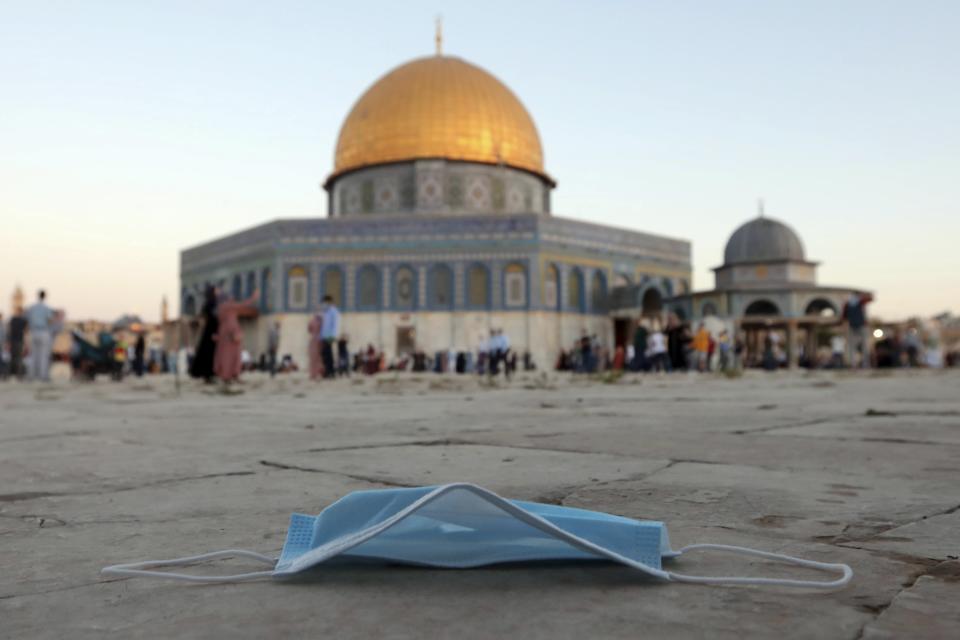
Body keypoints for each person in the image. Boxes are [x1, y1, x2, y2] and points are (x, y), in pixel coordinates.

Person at [213, 289, 259, 383]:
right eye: (230, 297)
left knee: (230, 355)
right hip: (230, 334)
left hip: (228, 333)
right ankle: (229, 375)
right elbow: (242, 305)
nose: (232, 298)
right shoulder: (227, 306)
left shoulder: (223, 308)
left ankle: (231, 375)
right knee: (230, 356)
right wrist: (253, 298)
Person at [189, 286, 219, 382]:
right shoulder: (213, 303)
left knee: (206, 352)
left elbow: (202, 315)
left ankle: (206, 374)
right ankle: (208, 374)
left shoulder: (208, 303)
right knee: (209, 353)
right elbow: (214, 317)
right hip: (212, 330)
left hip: (208, 330)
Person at [26, 290, 55, 382]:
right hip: (43, 332)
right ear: (45, 296)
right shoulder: (46, 308)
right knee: (43, 355)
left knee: (33, 355)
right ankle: (43, 376)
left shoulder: (31, 308)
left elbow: (27, 320)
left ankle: (31, 376)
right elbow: (50, 320)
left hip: (33, 332)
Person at [319, 295, 340, 379]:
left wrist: (333, 336)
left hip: (330, 337)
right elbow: (324, 326)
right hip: (324, 336)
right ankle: (327, 371)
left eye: (325, 302)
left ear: (329, 302)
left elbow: (335, 325)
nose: (324, 304)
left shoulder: (334, 311)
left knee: (329, 355)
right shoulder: (325, 312)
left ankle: (331, 372)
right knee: (325, 355)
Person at [7, 307, 27, 380]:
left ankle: (11, 375)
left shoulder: (13, 319)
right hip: (18, 341)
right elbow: (26, 331)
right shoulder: (23, 320)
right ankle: (18, 375)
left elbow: (9, 331)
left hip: (14, 341)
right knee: (18, 359)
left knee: (13, 358)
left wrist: (8, 341)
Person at [307, 312, 323, 380]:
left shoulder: (311, 322)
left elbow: (309, 330)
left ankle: (313, 374)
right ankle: (319, 373)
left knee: (313, 359)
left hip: (313, 341)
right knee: (319, 358)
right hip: (320, 340)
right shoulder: (321, 322)